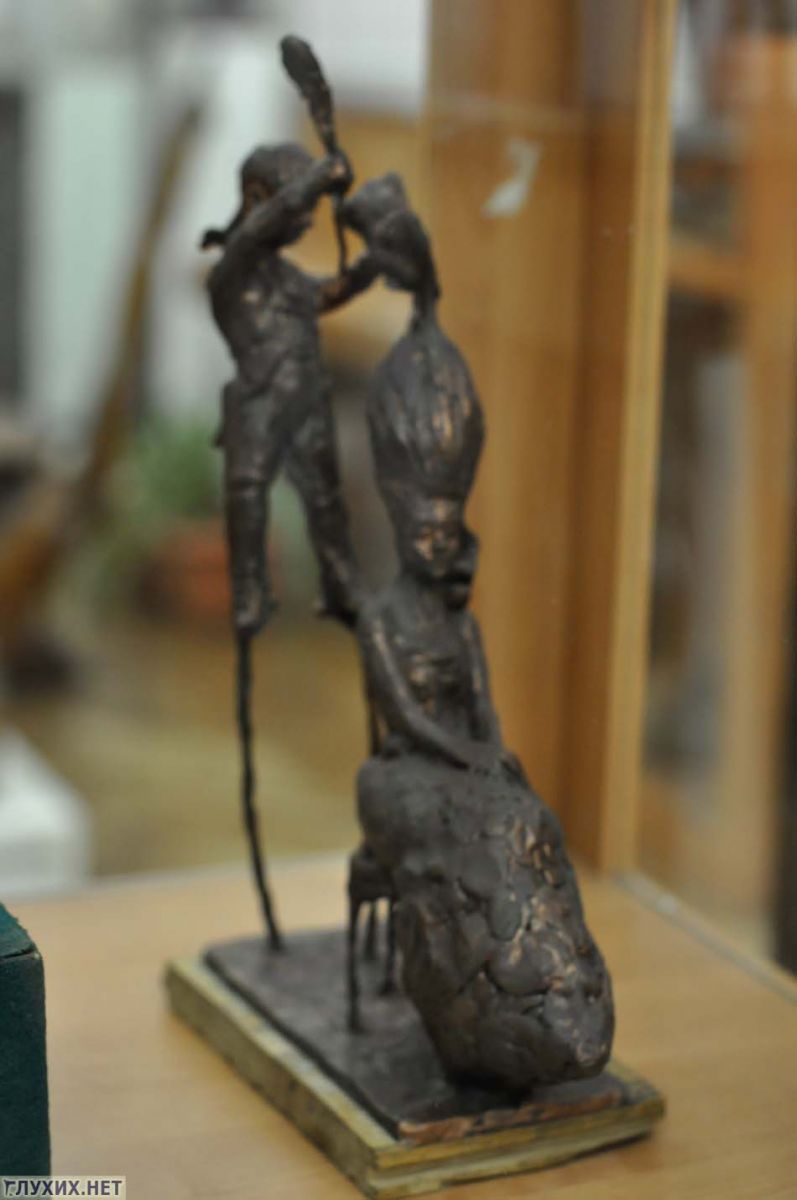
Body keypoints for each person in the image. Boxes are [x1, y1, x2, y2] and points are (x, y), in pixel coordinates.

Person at [201, 142, 377, 635]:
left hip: (307, 398)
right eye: (299, 207)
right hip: (260, 400)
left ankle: (340, 579)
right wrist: (320, 177)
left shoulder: (287, 278)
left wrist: (370, 266)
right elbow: (257, 231)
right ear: (259, 199)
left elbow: (325, 294)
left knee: (325, 497)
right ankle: (249, 586)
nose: (307, 219)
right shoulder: (232, 272)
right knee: (248, 493)